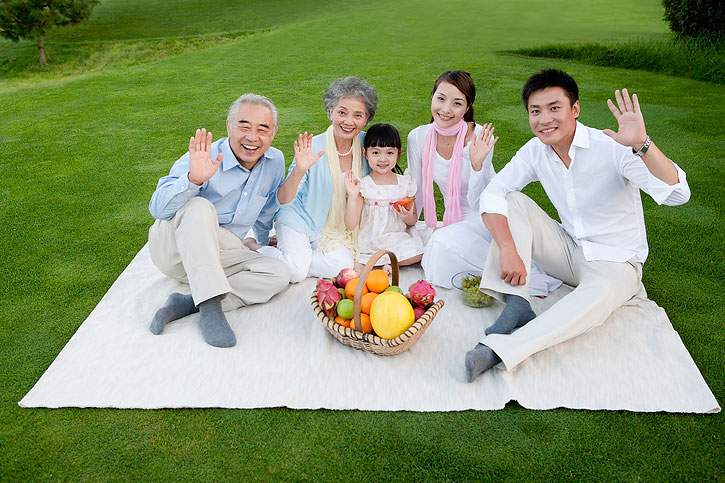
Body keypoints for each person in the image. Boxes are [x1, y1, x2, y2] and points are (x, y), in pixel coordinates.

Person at [465, 69, 691, 382]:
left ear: (575, 109)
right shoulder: (535, 151)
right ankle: (517, 301)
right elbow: (493, 192)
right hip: (570, 251)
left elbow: (678, 194)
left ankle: (499, 350)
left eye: (554, 108)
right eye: (536, 111)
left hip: (617, 263)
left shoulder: (612, 148)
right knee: (512, 199)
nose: (544, 119)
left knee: (588, 304)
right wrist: (507, 248)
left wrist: (642, 144)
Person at [147, 94, 291, 348]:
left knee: (279, 273)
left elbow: (266, 208)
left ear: (274, 132)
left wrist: (260, 241)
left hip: (219, 253)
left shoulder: (275, 161)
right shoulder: (205, 155)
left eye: (262, 129)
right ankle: (212, 306)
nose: (252, 137)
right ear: (228, 126)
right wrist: (194, 180)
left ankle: (190, 302)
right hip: (175, 249)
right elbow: (157, 208)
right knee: (199, 206)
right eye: (244, 126)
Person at [407, 70, 561, 295]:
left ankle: (520, 272)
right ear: (432, 97)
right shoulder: (418, 137)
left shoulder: (479, 137)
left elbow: (481, 198)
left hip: (487, 214)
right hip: (454, 218)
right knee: (433, 251)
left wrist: (477, 165)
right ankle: (489, 271)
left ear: (467, 107)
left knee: (439, 244)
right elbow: (416, 188)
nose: (446, 109)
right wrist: (409, 225)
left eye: (457, 103)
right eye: (441, 98)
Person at [248, 76, 377, 282]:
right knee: (297, 272)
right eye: (341, 112)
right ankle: (254, 247)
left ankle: (293, 256)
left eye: (358, 115)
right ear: (330, 112)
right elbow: (283, 199)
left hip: (332, 229)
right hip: (298, 219)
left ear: (367, 118)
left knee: (344, 266)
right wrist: (299, 169)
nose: (348, 121)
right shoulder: (314, 148)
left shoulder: (368, 146)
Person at [343, 123, 424, 272]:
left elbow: (413, 221)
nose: (382, 159)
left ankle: (388, 264)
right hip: (370, 241)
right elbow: (350, 224)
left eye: (389, 153)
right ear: (365, 153)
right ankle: (382, 263)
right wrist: (353, 197)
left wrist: (406, 216)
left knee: (418, 253)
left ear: (398, 153)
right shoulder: (364, 186)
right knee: (357, 259)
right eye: (376, 153)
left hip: (396, 238)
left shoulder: (405, 184)